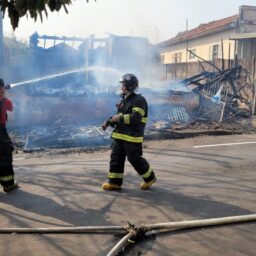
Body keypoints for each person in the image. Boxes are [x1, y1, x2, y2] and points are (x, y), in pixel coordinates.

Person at [102, 73, 156, 190]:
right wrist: (108, 121)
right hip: (120, 135)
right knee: (116, 158)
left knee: (134, 159)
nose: (121, 87)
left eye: (123, 85)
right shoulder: (124, 101)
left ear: (130, 86)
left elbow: (136, 118)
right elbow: (119, 117)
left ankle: (150, 178)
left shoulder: (139, 100)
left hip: (132, 136)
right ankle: (114, 183)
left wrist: (119, 118)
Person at [0, 78, 19, 193]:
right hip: (0, 132)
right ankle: (8, 185)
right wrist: (4, 95)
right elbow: (11, 108)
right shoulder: (5, 101)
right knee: (5, 156)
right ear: (2, 88)